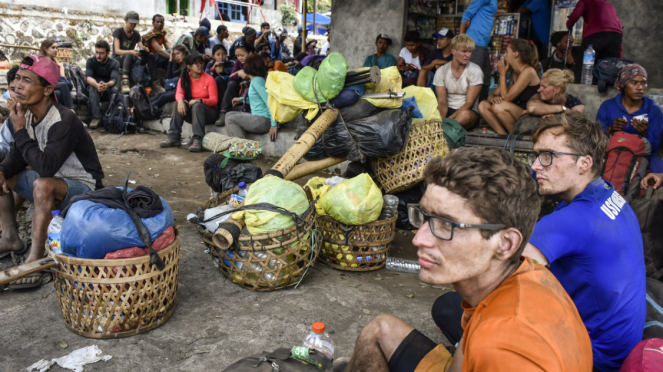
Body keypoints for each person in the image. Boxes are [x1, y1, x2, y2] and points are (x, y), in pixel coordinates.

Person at [338, 146, 593, 372]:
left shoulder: (503, 350)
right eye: (425, 217)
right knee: (380, 329)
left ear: (505, 244)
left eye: (445, 224)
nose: (419, 239)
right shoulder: (519, 275)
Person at [524, 112, 646, 372]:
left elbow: (500, 273)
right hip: (620, 348)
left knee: (452, 308)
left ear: (584, 163)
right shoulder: (607, 193)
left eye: (548, 156)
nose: (535, 165)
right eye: (536, 155)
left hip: (593, 359)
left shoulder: (574, 219)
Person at [0, 55, 104, 288]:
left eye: (26, 80)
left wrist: (19, 131)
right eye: (16, 78)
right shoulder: (25, 114)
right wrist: (3, 169)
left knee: (43, 184)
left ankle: (36, 259)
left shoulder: (63, 119)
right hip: (51, 182)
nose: (17, 85)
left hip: (84, 189)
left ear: (47, 89)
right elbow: (18, 154)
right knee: (4, 172)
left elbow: (45, 167)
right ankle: (9, 237)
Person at [597, 64, 663, 154]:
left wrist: (645, 134)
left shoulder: (654, 111)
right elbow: (596, 142)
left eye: (643, 83)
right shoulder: (607, 107)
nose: (640, 88)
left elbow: (654, 147)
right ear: (623, 85)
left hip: (641, 156)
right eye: (634, 83)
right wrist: (610, 130)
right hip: (612, 154)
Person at [478, 39, 541, 134]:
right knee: (483, 105)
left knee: (499, 107)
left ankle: (514, 138)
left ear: (516, 54)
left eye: (507, 52)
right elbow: (492, 96)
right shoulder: (512, 72)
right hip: (514, 112)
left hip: (528, 116)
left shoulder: (529, 71)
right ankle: (503, 136)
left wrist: (502, 73)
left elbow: (506, 98)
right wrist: (494, 99)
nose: (505, 55)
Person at [160, 53, 218, 152]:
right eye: (196, 64)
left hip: (209, 113)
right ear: (189, 66)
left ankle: (198, 139)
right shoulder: (184, 79)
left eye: (201, 63)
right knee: (177, 104)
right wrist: (181, 101)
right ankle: (174, 137)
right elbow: (179, 93)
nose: (200, 65)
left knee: (197, 106)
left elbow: (214, 100)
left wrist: (199, 100)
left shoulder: (209, 79)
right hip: (193, 114)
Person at [222, 54, 278, 141]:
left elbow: (269, 101)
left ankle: (242, 148)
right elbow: (258, 100)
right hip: (260, 118)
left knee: (230, 119)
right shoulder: (255, 80)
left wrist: (274, 125)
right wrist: (241, 99)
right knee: (229, 114)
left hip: (263, 120)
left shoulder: (256, 81)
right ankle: (241, 145)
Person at [566, 0, 623, 84]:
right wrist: (618, 55)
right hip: (616, 37)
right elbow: (619, 27)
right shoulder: (610, 6)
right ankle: (601, 91)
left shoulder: (586, 1)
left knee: (584, 65)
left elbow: (576, 14)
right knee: (606, 69)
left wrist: (569, 24)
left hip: (596, 35)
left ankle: (579, 90)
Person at [433, 35, 483, 129]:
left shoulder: (475, 70)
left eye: (469, 52)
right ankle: (445, 128)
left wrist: (448, 121)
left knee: (465, 116)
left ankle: (446, 128)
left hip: (468, 112)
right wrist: (441, 118)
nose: (467, 55)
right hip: (448, 109)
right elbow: (442, 102)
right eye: (464, 51)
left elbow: (469, 104)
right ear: (453, 51)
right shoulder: (442, 71)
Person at [460, 0, 497, 100]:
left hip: (483, 44)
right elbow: (468, 13)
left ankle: (480, 107)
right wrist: (462, 39)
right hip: (475, 41)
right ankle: (470, 108)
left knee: (485, 79)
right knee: (474, 79)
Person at [85, 40, 120, 129]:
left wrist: (106, 85)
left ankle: (112, 115)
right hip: (95, 86)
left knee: (115, 90)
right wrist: (97, 85)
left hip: (108, 87)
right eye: (96, 52)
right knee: (92, 88)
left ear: (108, 53)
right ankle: (96, 118)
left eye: (101, 53)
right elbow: (88, 77)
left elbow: (114, 80)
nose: (98, 56)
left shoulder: (114, 63)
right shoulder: (91, 61)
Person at [217, 42, 254, 126]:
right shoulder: (238, 63)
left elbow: (259, 79)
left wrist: (247, 75)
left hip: (252, 92)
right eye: (238, 55)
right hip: (241, 91)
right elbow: (231, 77)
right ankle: (223, 111)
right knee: (232, 84)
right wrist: (239, 73)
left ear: (250, 53)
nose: (240, 58)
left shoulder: (255, 62)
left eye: (242, 55)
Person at [112, 11, 149, 94]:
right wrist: (131, 52)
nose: (133, 25)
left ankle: (151, 81)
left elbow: (141, 46)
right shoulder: (118, 32)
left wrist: (144, 49)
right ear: (126, 20)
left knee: (148, 56)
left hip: (129, 58)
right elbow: (117, 51)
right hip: (117, 59)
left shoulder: (136, 34)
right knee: (128, 55)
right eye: (131, 23)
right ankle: (125, 82)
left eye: (135, 24)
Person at [38, 38, 74, 110]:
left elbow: (63, 79)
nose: (56, 50)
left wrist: (61, 68)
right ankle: (71, 111)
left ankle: (64, 115)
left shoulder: (55, 62)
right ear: (45, 49)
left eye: (56, 48)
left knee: (58, 93)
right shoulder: (41, 61)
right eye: (53, 48)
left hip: (53, 86)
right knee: (63, 85)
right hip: (43, 86)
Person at [151, 44, 190, 109]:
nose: (176, 56)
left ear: (184, 53)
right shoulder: (179, 65)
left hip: (186, 91)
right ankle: (145, 105)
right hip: (178, 89)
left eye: (178, 54)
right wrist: (170, 59)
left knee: (164, 97)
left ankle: (150, 108)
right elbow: (168, 77)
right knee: (160, 94)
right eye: (175, 54)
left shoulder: (188, 64)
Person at [142, 14, 171, 93]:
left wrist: (173, 54)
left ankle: (169, 79)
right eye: (157, 22)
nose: (159, 24)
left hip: (158, 58)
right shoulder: (150, 35)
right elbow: (159, 50)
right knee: (167, 55)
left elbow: (168, 46)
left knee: (171, 52)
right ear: (153, 23)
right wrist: (172, 57)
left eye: (161, 22)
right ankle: (155, 83)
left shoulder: (162, 34)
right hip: (150, 60)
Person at [0, 67, 18, 159]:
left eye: (21, 88)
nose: (17, 94)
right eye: (12, 89)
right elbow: (5, 147)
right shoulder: (10, 120)